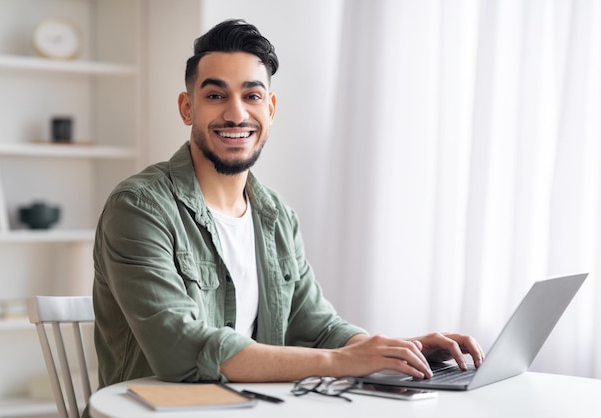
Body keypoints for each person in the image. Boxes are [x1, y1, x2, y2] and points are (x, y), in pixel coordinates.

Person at [92, 19, 484, 392]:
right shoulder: (139, 208)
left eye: (252, 96)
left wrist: (389, 352)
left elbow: (318, 328)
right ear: (187, 108)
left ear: (271, 109)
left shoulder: (276, 216)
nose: (236, 113)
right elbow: (181, 349)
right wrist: (341, 363)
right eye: (215, 96)